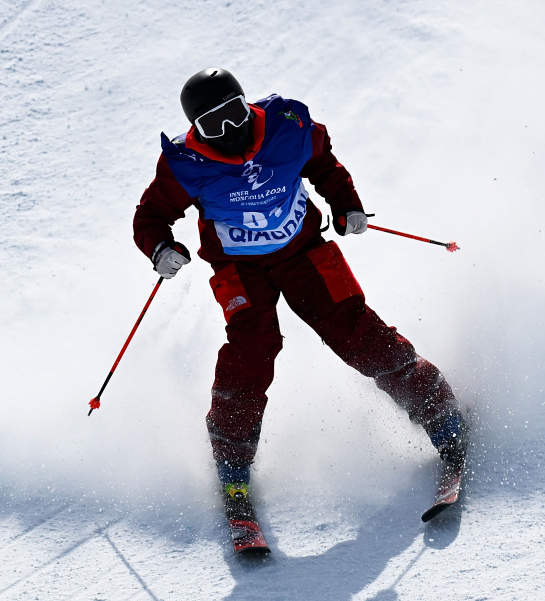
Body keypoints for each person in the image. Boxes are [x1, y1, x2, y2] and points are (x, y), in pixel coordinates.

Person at [132, 68, 467, 512]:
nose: (229, 130)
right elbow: (149, 216)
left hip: (305, 253)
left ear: (246, 103)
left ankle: (437, 410)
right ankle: (232, 462)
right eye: (213, 124)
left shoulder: (286, 126)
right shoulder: (185, 165)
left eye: (234, 114)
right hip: (240, 270)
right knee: (252, 348)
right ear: (196, 130)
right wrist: (159, 248)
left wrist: (346, 204)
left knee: (352, 329)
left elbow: (324, 163)